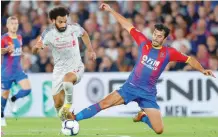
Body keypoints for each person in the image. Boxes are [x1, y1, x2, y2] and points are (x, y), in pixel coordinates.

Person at [68, 3, 216, 134]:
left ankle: (142, 117)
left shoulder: (169, 53)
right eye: (155, 34)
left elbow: (190, 59)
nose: (155, 38)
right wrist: (111, 10)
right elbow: (127, 25)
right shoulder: (143, 43)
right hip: (130, 87)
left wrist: (202, 69)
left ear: (165, 39)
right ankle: (75, 117)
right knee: (103, 104)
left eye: (159, 36)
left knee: (159, 130)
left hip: (148, 94)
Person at [32, 7, 96, 121]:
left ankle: (68, 106)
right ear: (53, 21)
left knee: (68, 79)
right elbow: (35, 49)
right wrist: (36, 49)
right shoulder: (48, 33)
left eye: (65, 21)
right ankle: (65, 123)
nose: (63, 24)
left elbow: (84, 34)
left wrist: (90, 50)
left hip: (76, 66)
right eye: (60, 22)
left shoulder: (74, 28)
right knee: (57, 103)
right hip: (59, 70)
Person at [1, 16, 32, 126]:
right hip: (7, 71)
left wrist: (23, 55)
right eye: (12, 23)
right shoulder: (4, 38)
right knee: (5, 94)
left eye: (16, 23)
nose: (14, 25)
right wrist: (6, 49)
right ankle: (1, 115)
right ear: (8, 25)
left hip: (18, 70)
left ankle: (13, 99)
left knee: (27, 89)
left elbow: (18, 51)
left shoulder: (19, 37)